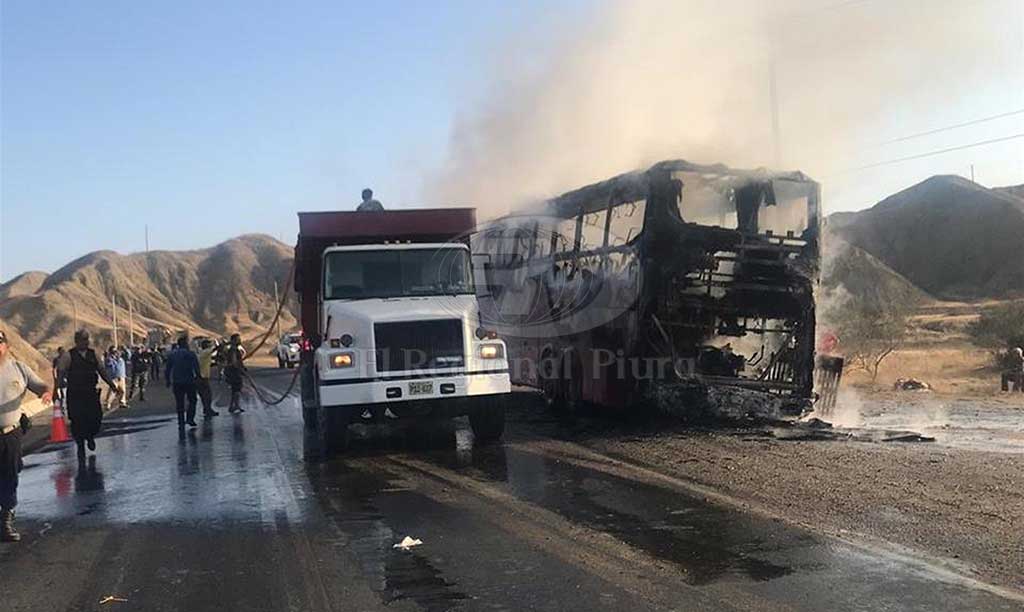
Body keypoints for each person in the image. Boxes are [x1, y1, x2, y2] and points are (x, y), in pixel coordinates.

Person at [0, 329, 52, 542]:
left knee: (10, 476)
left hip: (10, 435)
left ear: (6, 346)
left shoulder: (19, 369)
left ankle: (6, 519)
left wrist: (47, 391)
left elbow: (41, 385)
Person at [56, 330, 120, 463]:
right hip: (75, 393)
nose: (86, 341)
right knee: (77, 420)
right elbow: (61, 371)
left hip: (90, 392)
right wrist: (57, 386)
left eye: (87, 339)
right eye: (83, 339)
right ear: (77, 341)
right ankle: (80, 445)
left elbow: (102, 371)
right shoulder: (69, 356)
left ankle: (90, 436)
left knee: (96, 417)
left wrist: (112, 385)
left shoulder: (93, 355)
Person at [165, 336, 200, 430]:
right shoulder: (191, 354)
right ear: (185, 344)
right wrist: (198, 378)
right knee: (192, 400)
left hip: (177, 382)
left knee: (179, 402)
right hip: (189, 381)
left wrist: (168, 380)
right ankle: (190, 418)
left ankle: (181, 421)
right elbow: (196, 368)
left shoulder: (172, 354)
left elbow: (168, 369)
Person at [222, 334, 246, 414]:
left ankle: (232, 406)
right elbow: (234, 362)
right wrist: (241, 369)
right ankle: (236, 405)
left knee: (234, 390)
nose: (239, 341)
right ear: (233, 340)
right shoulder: (233, 349)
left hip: (233, 372)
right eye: (237, 339)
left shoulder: (233, 349)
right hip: (234, 372)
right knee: (237, 390)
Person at [196, 339, 220, 418]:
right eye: (209, 344)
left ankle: (206, 409)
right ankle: (208, 409)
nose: (210, 346)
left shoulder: (202, 354)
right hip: (203, 377)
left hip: (199, 377)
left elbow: (207, 364)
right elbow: (215, 349)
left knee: (203, 395)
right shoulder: (206, 352)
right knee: (208, 394)